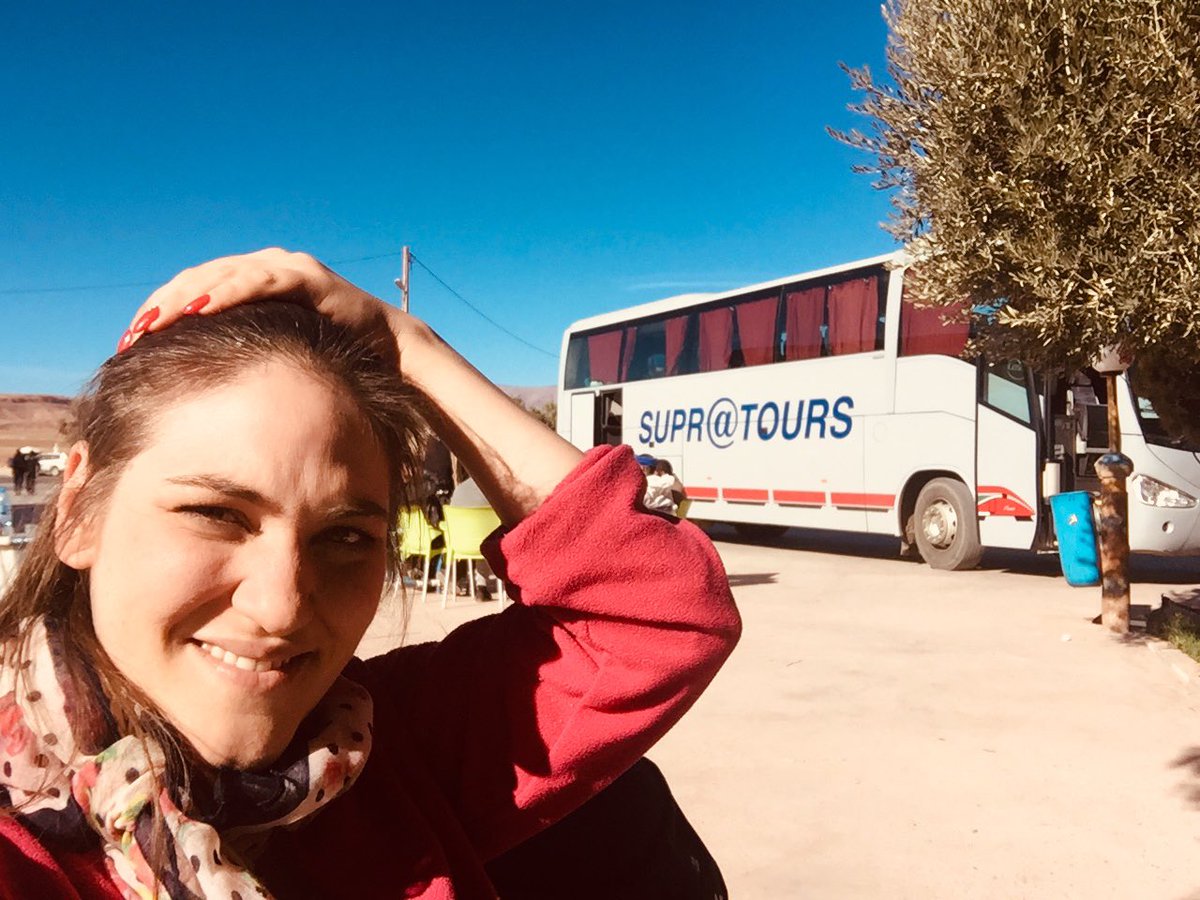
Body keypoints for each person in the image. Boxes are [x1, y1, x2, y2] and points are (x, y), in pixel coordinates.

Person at [0, 248, 740, 899]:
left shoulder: (389, 752)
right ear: (79, 512)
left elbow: (654, 610)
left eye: (346, 536)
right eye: (216, 513)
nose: (282, 605)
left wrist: (408, 345)